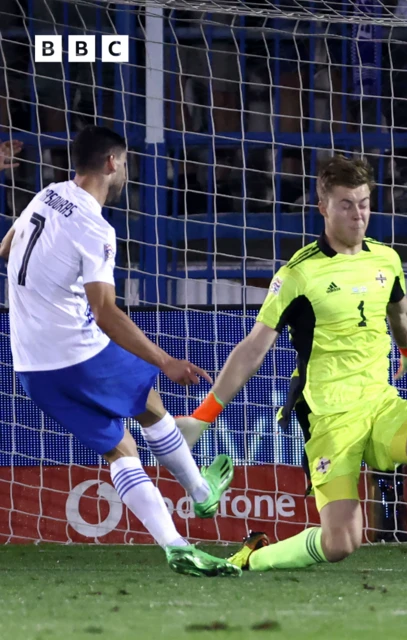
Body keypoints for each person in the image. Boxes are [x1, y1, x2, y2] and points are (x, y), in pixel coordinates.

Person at [177, 155, 407, 572]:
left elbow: (399, 310)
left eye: (364, 203)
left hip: (378, 403)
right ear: (322, 207)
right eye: (345, 204)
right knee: (341, 541)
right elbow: (253, 349)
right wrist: (204, 415)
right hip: (330, 417)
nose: (358, 215)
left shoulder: (385, 259)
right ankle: (251, 558)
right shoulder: (299, 275)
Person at [0, 126, 239, 578]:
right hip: (77, 353)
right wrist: (164, 360)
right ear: (112, 163)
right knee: (148, 399)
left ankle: (176, 545)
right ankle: (201, 492)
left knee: (121, 449)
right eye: (125, 163)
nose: (125, 171)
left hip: (32, 367)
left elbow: (7, 248)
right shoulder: (95, 227)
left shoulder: (47, 194)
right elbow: (105, 311)